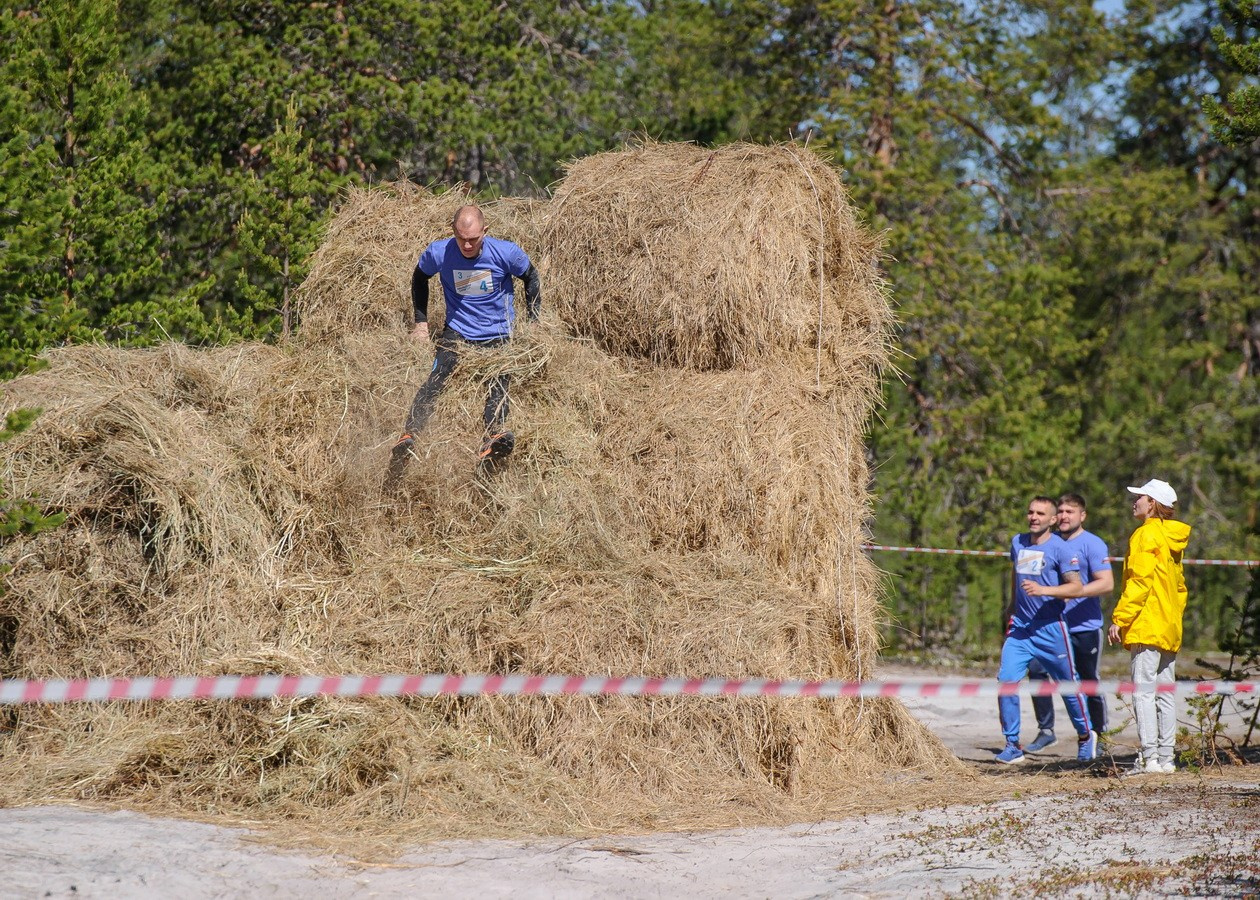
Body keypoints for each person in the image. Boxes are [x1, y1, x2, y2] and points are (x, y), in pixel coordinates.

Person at [386, 205, 541, 485]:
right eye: (461, 239)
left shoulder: (506, 253)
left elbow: (531, 276)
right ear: (453, 233)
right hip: (458, 332)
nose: (467, 245)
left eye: (473, 239)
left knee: (500, 381)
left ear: (485, 231)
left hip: (498, 334)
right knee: (437, 377)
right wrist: (421, 323)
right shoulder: (440, 252)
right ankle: (409, 436)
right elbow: (419, 277)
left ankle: (493, 437)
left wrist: (533, 321)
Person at [994, 495, 1097, 765]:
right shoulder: (1018, 542)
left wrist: (1044, 590)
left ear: (1052, 520)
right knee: (1006, 682)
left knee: (1067, 685)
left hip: (1051, 629)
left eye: (1040, 513)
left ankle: (1086, 736)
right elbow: (1018, 577)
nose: (1034, 517)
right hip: (1020, 629)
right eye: (1030, 512)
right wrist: (1010, 607)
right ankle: (1012, 744)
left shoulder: (1061, 549)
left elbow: (1076, 587)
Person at [1107, 478, 1191, 775]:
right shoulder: (1171, 539)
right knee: (1165, 692)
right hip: (1168, 626)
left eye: (1139, 497)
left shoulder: (1144, 536)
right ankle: (1167, 760)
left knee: (1144, 692)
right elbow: (1180, 589)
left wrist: (1120, 618)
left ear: (1152, 503)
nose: (1135, 502)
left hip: (1146, 623)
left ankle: (1149, 759)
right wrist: (1172, 618)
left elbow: (1139, 582)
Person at [1024, 493, 1114, 753]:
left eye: (1069, 512)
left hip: (1082, 628)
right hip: (1049, 627)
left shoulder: (1092, 544)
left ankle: (1100, 736)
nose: (1064, 516)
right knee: (1037, 671)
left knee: (1087, 682)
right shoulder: (1042, 543)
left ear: (1082, 516)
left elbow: (1107, 584)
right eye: (1060, 511)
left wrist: (1072, 591)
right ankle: (1046, 731)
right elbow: (1028, 579)